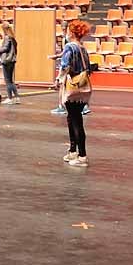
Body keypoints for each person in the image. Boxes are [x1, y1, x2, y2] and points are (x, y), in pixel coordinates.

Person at [57, 20, 93, 167]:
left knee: (75, 121)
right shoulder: (83, 48)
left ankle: (82, 155)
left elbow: (65, 66)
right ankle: (73, 151)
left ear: (71, 33)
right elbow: (89, 68)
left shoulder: (69, 47)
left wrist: (58, 80)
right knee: (73, 119)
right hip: (83, 89)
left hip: (72, 88)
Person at [0, 22, 19, 104]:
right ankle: (16, 97)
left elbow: (5, 48)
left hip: (6, 60)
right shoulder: (13, 38)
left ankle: (10, 98)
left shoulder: (7, 38)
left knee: (7, 80)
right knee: (11, 80)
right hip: (12, 60)